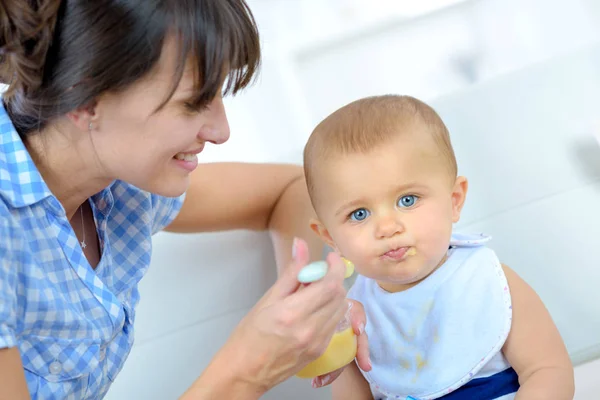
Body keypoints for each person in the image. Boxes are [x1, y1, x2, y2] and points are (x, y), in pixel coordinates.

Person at [0, 1, 371, 398]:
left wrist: (313, 307)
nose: (221, 130)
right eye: (193, 102)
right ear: (85, 98)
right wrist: (247, 370)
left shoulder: (120, 187)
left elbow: (297, 187)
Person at [302, 95, 575, 399]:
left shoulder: (489, 280)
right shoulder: (352, 319)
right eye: (359, 214)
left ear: (454, 200)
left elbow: (548, 372)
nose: (388, 227)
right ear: (329, 237)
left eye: (407, 200)